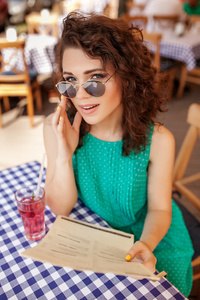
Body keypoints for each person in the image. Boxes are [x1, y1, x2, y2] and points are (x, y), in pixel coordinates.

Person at [43, 11, 194, 297]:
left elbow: (161, 209)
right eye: (70, 80)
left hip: (153, 236)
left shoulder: (159, 140)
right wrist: (64, 155)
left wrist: (146, 244)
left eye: (95, 78)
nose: (81, 94)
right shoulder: (58, 129)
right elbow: (60, 208)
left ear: (126, 77)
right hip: (95, 236)